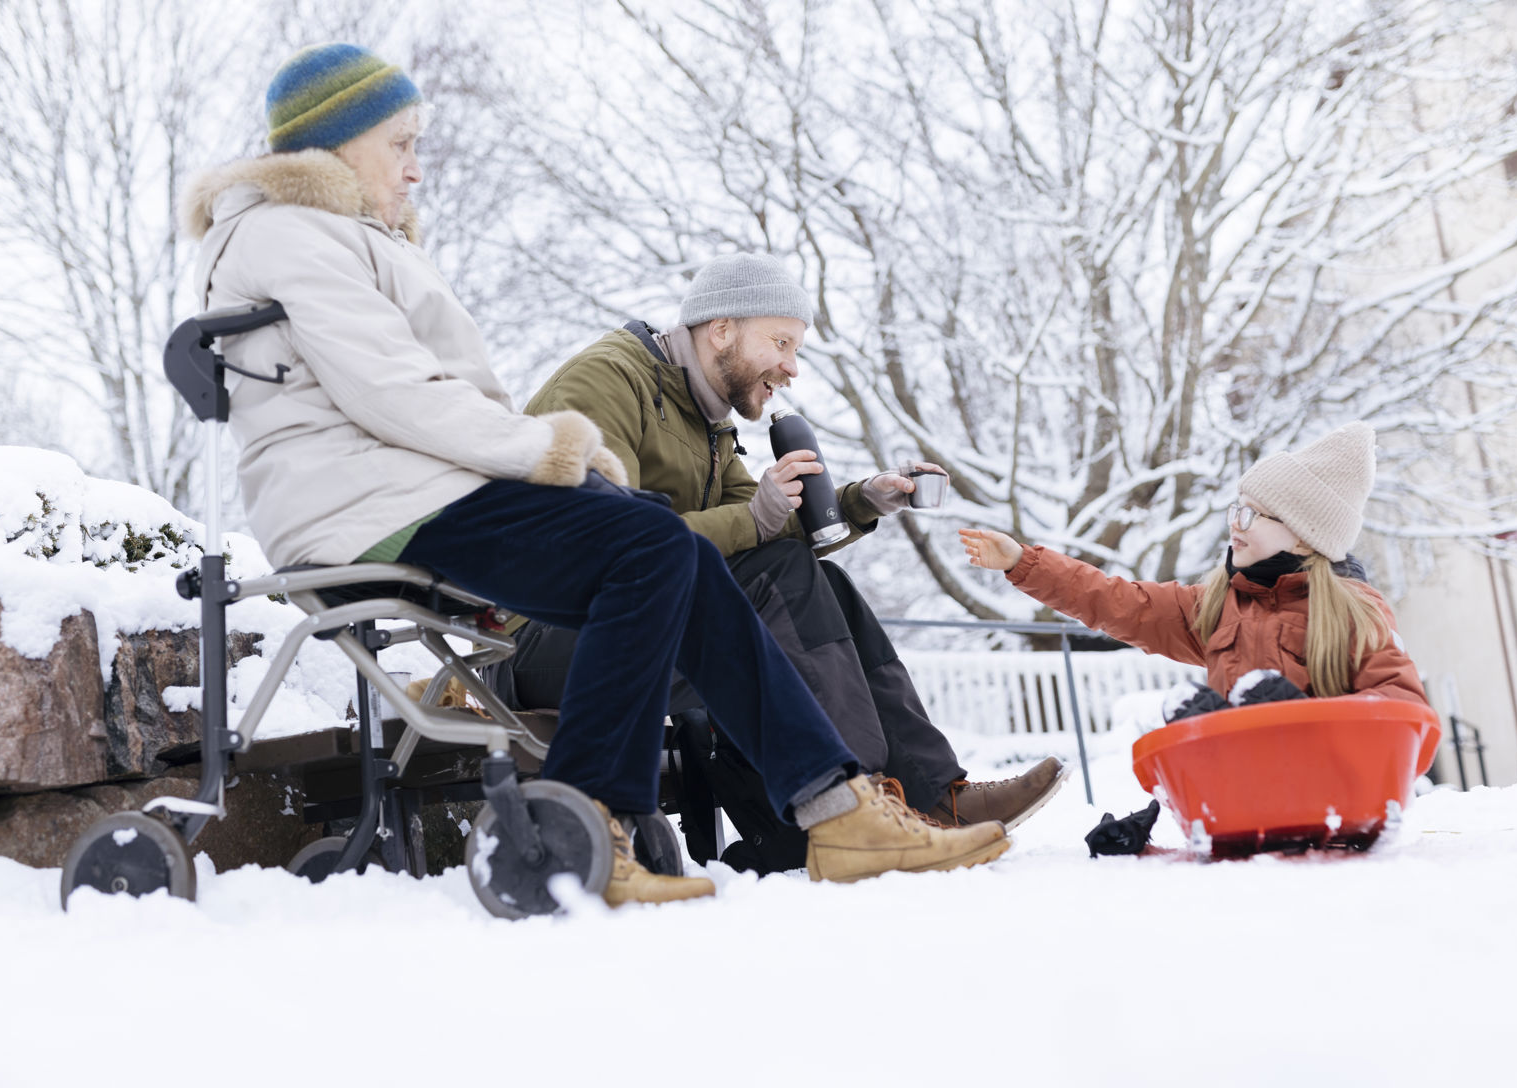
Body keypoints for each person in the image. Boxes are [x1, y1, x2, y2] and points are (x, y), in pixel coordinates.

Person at [181, 43, 1011, 905]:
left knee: (670, 549)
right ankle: (594, 810)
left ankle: (836, 809)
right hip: (369, 504)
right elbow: (393, 392)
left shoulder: (338, 236)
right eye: (401, 144)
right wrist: (557, 455)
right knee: (651, 544)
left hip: (408, 490)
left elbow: (408, 395)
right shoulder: (288, 233)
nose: (416, 169)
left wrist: (844, 501)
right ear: (336, 141)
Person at [500, 253, 1066, 873]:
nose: (792, 367)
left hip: (645, 620)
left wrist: (861, 500)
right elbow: (606, 545)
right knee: (783, 573)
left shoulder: (703, 418)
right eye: (781, 343)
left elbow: (766, 527)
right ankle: (858, 808)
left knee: (820, 578)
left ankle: (932, 796)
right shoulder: (606, 382)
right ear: (721, 329)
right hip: (545, 638)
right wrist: (755, 517)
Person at [959, 422, 1430, 713]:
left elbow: (1402, 706)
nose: (1235, 524)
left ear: (1305, 535)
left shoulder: (1352, 612)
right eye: (1236, 509)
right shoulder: (1218, 605)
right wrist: (1024, 563)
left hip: (1327, 805)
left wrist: (1303, 718)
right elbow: (1119, 602)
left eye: (1254, 514)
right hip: (1247, 806)